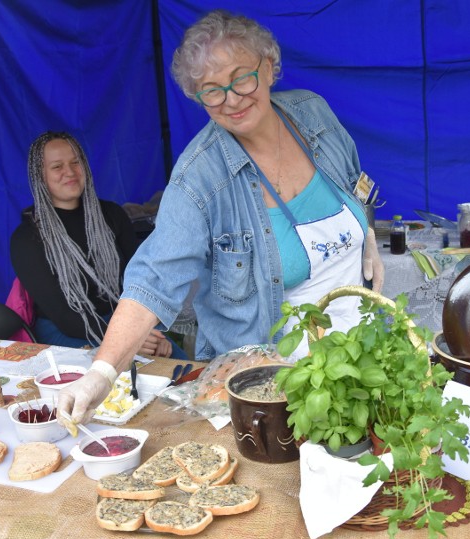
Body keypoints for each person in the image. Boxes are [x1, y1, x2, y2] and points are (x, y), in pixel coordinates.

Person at [59, 10, 383, 423]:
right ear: (196, 97)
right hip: (274, 383)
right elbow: (153, 279)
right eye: (211, 90)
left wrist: (366, 232)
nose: (231, 99)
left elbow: (355, 180)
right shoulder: (200, 178)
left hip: (360, 351)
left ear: (268, 67)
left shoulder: (312, 115)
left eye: (241, 78)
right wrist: (101, 374)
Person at [10, 131, 186, 358]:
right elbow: (64, 317)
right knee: (129, 377)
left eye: (76, 162)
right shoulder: (27, 238)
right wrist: (128, 338)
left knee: (181, 366)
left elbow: (140, 284)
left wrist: (148, 332)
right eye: (57, 167)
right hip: (68, 331)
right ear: (39, 176)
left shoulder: (112, 215)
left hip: (122, 319)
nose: (70, 172)